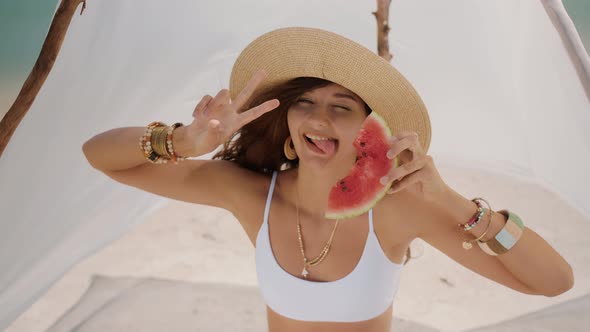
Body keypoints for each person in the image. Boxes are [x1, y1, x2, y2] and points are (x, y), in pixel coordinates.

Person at [82, 27, 574, 332]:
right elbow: (100, 156)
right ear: (288, 125)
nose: (318, 118)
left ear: (368, 134)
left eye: (341, 108)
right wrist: (179, 142)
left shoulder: (396, 209)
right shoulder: (251, 194)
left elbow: (554, 282)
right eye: (305, 103)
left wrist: (457, 204)